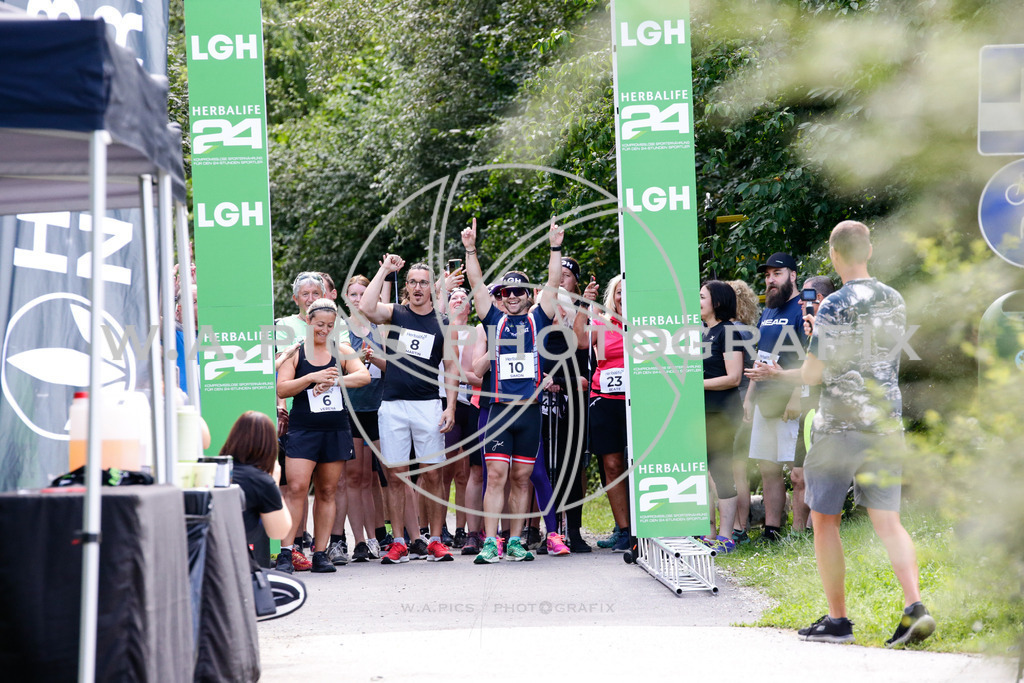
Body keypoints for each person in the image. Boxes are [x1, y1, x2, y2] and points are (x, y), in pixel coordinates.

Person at [798, 221, 935, 646]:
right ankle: (915, 606)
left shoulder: (832, 305)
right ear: (869, 250)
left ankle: (838, 621)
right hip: (886, 424)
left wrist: (811, 343)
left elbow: (813, 374)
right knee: (888, 521)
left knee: (825, 521)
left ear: (834, 254)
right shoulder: (894, 299)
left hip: (840, 427)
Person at [461, 218, 564, 564]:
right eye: (507, 292)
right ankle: (492, 541)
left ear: (529, 296)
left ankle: (516, 540)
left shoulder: (538, 318)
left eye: (520, 291)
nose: (514, 296)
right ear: (501, 298)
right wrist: (471, 249)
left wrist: (555, 246)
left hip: (530, 412)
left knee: (522, 478)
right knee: (496, 476)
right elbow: (476, 284)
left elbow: (553, 282)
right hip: (499, 411)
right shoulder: (493, 319)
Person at [359, 256, 459, 564]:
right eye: (412, 282)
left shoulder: (443, 323)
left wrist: (450, 406)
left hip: (429, 405)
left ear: (431, 288)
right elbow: (366, 307)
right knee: (396, 475)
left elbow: (451, 367)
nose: (417, 288)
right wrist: (385, 270)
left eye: (423, 283)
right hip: (393, 405)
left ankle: (436, 540)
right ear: (406, 286)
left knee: (433, 475)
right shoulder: (396, 314)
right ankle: (399, 542)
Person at [275, 298, 370, 573]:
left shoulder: (341, 350)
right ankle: (286, 552)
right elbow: (282, 388)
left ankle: (320, 552)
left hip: (335, 429)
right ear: (308, 321)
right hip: (303, 429)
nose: (324, 330)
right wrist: (311, 378)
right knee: (297, 488)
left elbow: (363, 376)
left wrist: (334, 380)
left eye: (330, 325)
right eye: (319, 324)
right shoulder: (296, 352)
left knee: (328, 491)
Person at [743, 252, 806, 543]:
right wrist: (750, 397)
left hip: (789, 399)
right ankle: (772, 531)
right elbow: (761, 358)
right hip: (764, 399)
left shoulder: (800, 309)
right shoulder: (768, 312)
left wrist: (796, 397)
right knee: (768, 467)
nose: (770, 280)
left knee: (797, 473)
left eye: (777, 274)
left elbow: (808, 360)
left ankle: (800, 532)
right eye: (767, 275)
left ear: (792, 275)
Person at [339, 275, 389, 562]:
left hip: (380, 409)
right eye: (353, 294)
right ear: (346, 298)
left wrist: (375, 357)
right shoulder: (340, 329)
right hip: (352, 409)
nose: (358, 299)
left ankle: (377, 537)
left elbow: (396, 367)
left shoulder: (382, 327)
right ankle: (359, 540)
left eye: (363, 293)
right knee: (355, 477)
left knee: (378, 477)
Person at [585, 274, 632, 552]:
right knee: (612, 465)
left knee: (640, 463)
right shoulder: (602, 322)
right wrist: (586, 306)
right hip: (605, 400)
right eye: (619, 292)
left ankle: (646, 524)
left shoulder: (648, 324)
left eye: (628, 292)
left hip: (639, 402)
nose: (623, 297)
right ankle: (624, 530)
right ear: (612, 297)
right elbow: (580, 342)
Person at [699, 281, 745, 553]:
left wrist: (695, 385)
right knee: (703, 472)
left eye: (702, 297)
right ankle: (708, 532)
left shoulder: (729, 332)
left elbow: (734, 377)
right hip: (703, 412)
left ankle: (727, 537)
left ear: (717, 302)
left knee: (721, 472)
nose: (697, 301)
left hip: (722, 413)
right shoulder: (704, 332)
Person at [790, 275, 836, 534]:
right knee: (798, 475)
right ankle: (798, 534)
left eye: (804, 296)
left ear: (818, 298)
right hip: (807, 407)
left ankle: (817, 531)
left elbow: (817, 374)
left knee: (818, 474)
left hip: (825, 408)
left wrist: (775, 375)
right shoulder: (807, 329)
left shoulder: (833, 329)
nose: (799, 302)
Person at [222, 411, 293, 568]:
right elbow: (279, 531)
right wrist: (274, 483)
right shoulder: (261, 481)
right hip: (241, 568)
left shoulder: (215, 470)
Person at [727, 279, 759, 544]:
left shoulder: (736, 331)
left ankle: (738, 528)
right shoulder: (748, 330)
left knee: (735, 469)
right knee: (739, 468)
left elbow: (750, 370)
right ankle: (739, 527)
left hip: (737, 403)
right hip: (742, 402)